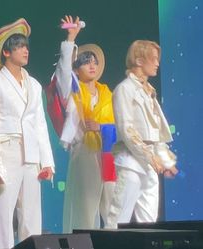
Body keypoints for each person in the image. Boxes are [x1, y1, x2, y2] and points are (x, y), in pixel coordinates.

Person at [0, 18, 55, 249]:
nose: (25, 50)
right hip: (7, 150)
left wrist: (47, 161)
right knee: (2, 212)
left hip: (31, 154)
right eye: (19, 46)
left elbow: (40, 124)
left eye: (26, 46)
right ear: (5, 52)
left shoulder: (33, 84)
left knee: (31, 214)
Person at [51, 15, 116, 232]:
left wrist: (102, 127)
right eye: (86, 61)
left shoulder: (107, 94)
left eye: (94, 62)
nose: (91, 65)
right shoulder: (73, 92)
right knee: (86, 210)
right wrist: (71, 38)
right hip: (84, 152)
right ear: (76, 68)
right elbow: (62, 73)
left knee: (111, 209)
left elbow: (120, 125)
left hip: (108, 152)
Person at [105, 40, 178, 228]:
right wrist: (149, 156)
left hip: (150, 163)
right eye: (153, 59)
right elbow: (127, 129)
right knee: (120, 214)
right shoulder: (124, 89)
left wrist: (165, 161)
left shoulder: (148, 92)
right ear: (138, 60)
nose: (157, 63)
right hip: (130, 160)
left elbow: (156, 132)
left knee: (149, 219)